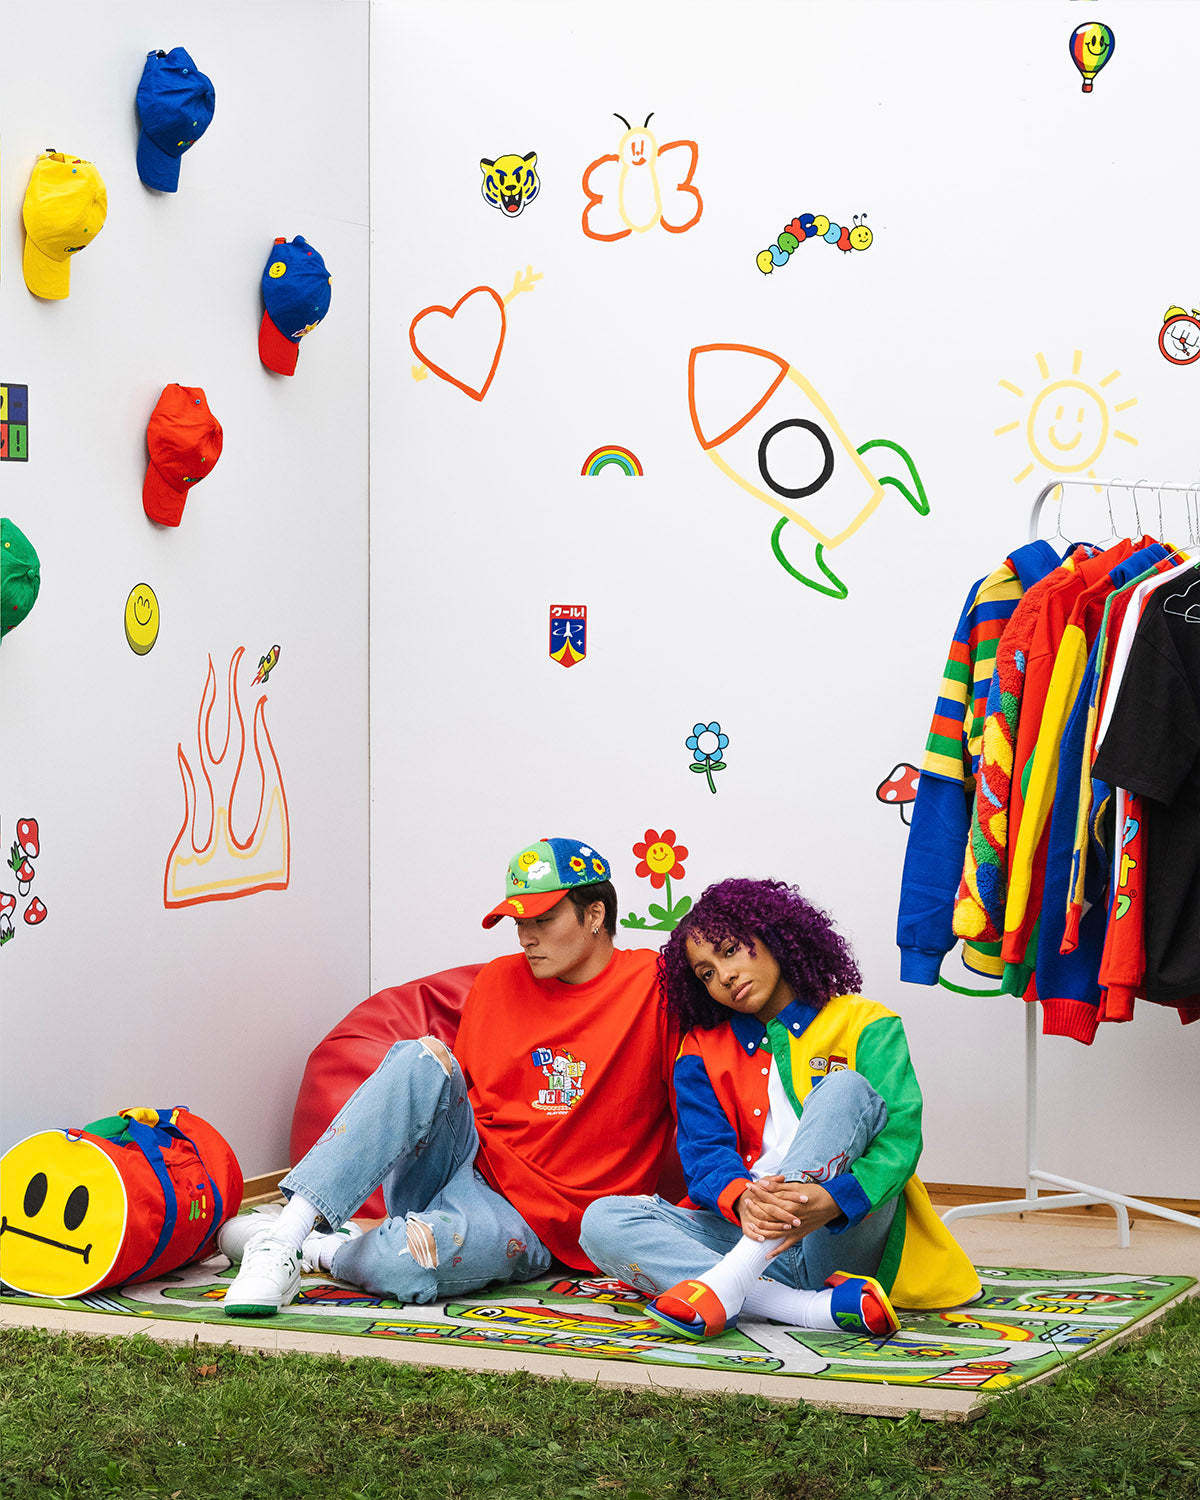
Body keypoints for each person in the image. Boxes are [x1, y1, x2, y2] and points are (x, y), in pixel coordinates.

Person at [222, 837, 677, 1317]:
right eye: (519, 922)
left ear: (595, 914)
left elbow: (700, 1088)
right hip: (465, 1164)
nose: (526, 937)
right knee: (423, 1057)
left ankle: (322, 1248)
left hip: (532, 1221)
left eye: (542, 920)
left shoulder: (656, 986)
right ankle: (282, 1238)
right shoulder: (498, 982)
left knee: (407, 1264)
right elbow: (464, 1097)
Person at [580, 877, 979, 1340]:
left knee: (844, 1086)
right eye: (706, 973)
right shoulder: (700, 1049)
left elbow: (900, 1140)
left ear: (772, 936)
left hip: (839, 1233)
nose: (724, 976)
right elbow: (705, 1154)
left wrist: (832, 1201)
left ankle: (732, 1283)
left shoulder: (867, 1022)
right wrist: (743, 1199)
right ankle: (803, 1308)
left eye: (730, 951)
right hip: (746, 1231)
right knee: (602, 1221)